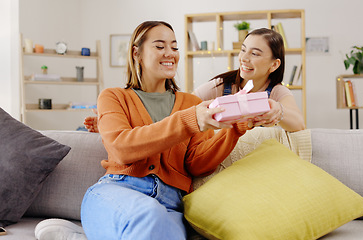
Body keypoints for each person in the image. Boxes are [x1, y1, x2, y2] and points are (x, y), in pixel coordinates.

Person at [80, 21, 251, 240]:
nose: (170, 53)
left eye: (174, 47)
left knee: (155, 219)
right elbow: (122, 148)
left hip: (170, 204)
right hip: (117, 192)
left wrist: (234, 130)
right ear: (136, 53)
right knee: (148, 215)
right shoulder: (113, 97)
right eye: (160, 47)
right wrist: (190, 120)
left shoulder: (192, 102)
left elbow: (197, 164)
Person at [84, 28, 305, 133]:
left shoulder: (276, 93)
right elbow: (179, 114)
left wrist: (279, 111)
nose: (244, 59)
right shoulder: (221, 86)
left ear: (274, 64)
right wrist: (115, 122)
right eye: (243, 50)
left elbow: (299, 124)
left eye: (255, 54)